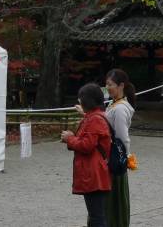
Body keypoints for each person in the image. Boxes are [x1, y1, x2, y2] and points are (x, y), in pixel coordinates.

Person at [61, 83, 112, 227]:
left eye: (81, 99)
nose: (79, 101)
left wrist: (69, 139)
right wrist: (72, 137)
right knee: (95, 214)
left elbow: (86, 145)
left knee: (97, 216)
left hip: (94, 173)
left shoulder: (95, 119)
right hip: (94, 172)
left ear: (87, 101)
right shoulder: (94, 116)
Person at [104, 69, 136, 227]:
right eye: (106, 85)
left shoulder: (121, 109)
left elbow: (123, 138)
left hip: (116, 158)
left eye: (110, 85)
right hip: (109, 156)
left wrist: (126, 158)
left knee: (115, 200)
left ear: (121, 85)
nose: (108, 88)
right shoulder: (112, 104)